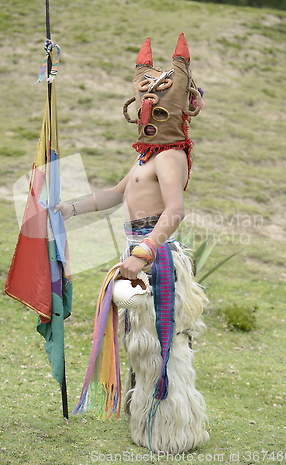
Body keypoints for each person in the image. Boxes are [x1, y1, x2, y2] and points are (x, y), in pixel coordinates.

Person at [55, 34, 209, 454]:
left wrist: (143, 254)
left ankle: (173, 430)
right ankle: (148, 421)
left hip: (154, 258)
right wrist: (70, 207)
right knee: (140, 344)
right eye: (144, 109)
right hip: (136, 255)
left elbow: (174, 211)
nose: (146, 116)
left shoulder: (169, 157)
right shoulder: (144, 158)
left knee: (162, 343)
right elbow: (113, 194)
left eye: (154, 110)